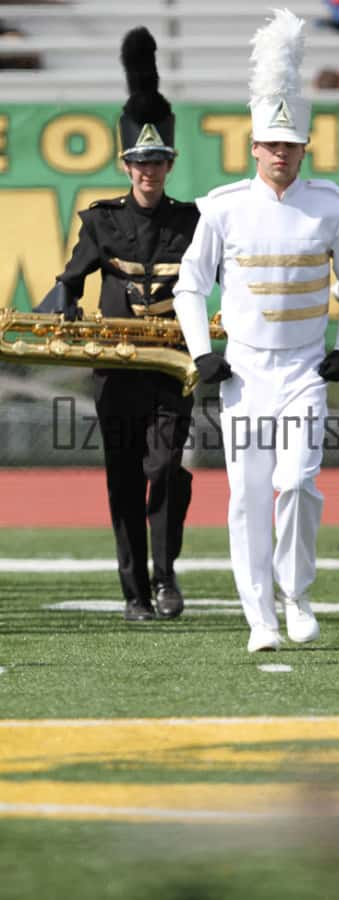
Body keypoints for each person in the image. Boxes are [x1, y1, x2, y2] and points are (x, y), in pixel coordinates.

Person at [173, 9, 339, 653]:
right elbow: (189, 284)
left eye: (291, 146)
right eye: (271, 145)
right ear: (254, 148)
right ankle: (259, 616)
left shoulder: (332, 205)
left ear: (303, 151)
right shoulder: (222, 207)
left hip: (304, 370)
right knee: (247, 496)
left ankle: (297, 594)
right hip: (244, 372)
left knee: (299, 484)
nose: (281, 155)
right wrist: (205, 353)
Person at [35, 28, 199, 622]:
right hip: (117, 367)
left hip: (172, 365)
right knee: (125, 478)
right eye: (139, 161)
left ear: (169, 163)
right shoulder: (102, 222)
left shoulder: (194, 222)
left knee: (166, 470)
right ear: (126, 164)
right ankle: (136, 592)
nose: (148, 170)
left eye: (157, 161)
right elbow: (70, 276)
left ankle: (166, 573)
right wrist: (65, 304)